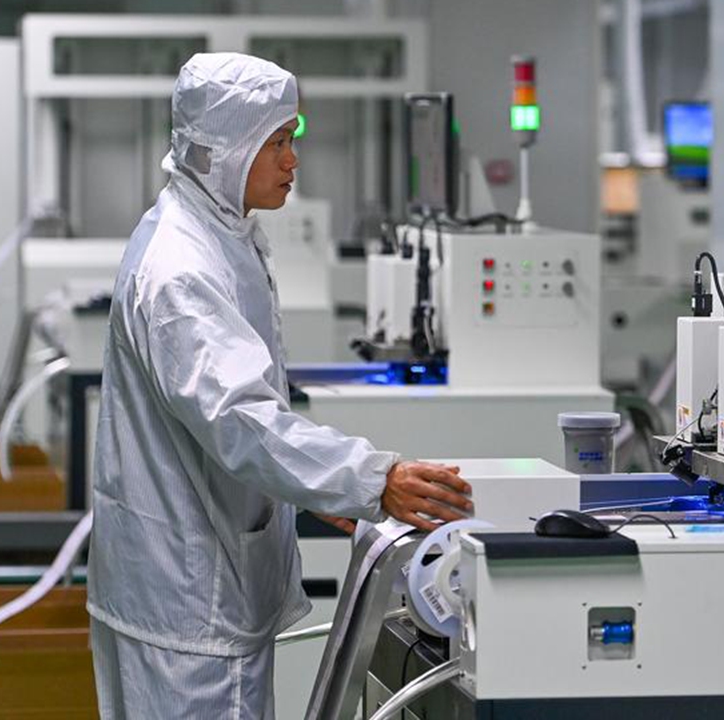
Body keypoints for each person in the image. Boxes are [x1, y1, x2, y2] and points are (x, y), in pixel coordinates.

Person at [86, 52, 473, 718]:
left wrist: (312, 487)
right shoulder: (184, 270)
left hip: (184, 585)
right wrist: (372, 479)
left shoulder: (215, 230)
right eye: (277, 142)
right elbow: (241, 420)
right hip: (191, 606)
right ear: (226, 151)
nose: (292, 160)